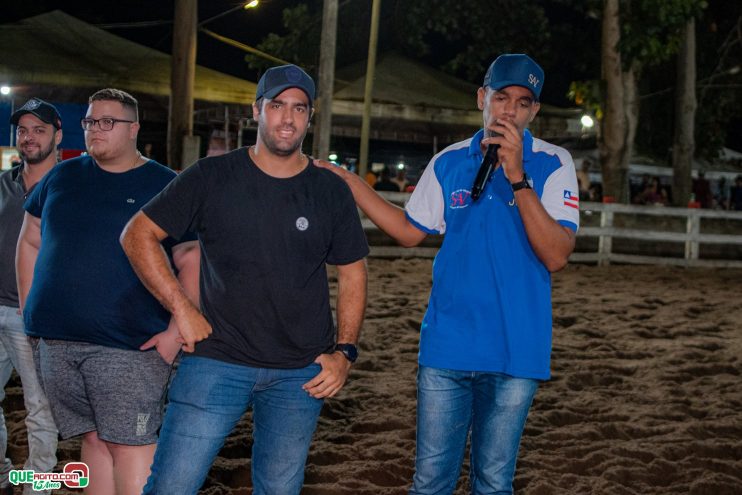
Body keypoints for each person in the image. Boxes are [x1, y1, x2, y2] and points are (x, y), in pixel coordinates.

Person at [316, 53, 579, 494]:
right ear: (482, 99)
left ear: (534, 111)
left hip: (517, 348)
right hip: (447, 345)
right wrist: (350, 181)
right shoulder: (449, 161)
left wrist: (517, 176)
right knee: (430, 482)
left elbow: (556, 254)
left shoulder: (553, 162)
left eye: (522, 101)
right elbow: (408, 231)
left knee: (493, 482)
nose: (510, 110)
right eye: (501, 97)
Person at [120, 64, 369, 495]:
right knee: (171, 486)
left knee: (279, 488)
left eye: (299, 108)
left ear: (310, 117)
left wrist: (345, 351)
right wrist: (182, 309)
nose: (287, 118)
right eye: (277, 106)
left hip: (301, 372)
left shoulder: (329, 191)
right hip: (217, 358)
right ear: (257, 110)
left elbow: (352, 271)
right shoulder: (211, 176)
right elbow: (137, 234)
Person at [15, 88, 200, 495]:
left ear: (133, 128)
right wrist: (30, 310)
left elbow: (191, 258)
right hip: (58, 343)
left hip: (130, 346)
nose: (94, 130)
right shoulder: (62, 176)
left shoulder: (165, 183)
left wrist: (174, 332)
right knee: (94, 439)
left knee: (131, 445)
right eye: (89, 121)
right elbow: (30, 239)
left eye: (106, 122)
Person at [0, 98, 60, 495]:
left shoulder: (70, 183)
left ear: (57, 134)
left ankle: (38, 484)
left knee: (40, 406)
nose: (29, 137)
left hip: (35, 313)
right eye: (23, 130)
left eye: (39, 129)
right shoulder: (4, 182)